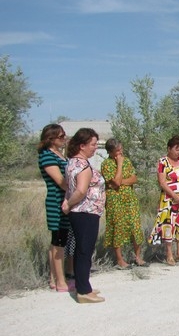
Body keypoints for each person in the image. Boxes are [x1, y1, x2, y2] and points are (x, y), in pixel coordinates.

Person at [62, 128, 106, 303]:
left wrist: (68, 203)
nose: (95, 148)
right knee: (84, 250)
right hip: (85, 212)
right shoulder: (83, 166)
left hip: (83, 212)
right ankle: (83, 291)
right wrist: (69, 203)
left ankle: (84, 285)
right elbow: (80, 191)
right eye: (93, 144)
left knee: (83, 250)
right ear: (82, 146)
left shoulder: (72, 162)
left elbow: (69, 187)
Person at [101, 138, 146, 269]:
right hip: (115, 200)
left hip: (129, 199)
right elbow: (114, 183)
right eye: (117, 151)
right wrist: (119, 166)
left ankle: (138, 257)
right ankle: (120, 260)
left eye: (121, 149)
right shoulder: (106, 164)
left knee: (135, 226)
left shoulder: (127, 161)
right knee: (118, 228)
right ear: (110, 152)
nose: (120, 153)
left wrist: (121, 181)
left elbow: (134, 178)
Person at [37, 124, 72, 292]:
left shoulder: (59, 154)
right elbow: (60, 181)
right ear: (50, 139)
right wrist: (78, 191)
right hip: (57, 200)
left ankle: (54, 278)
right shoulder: (47, 156)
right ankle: (60, 281)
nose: (64, 139)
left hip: (64, 198)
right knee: (59, 239)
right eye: (61, 136)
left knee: (58, 240)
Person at [148, 135, 179, 266]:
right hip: (168, 199)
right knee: (168, 224)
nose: (178, 152)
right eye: (176, 149)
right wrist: (174, 195)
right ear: (169, 148)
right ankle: (169, 253)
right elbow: (162, 182)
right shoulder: (163, 162)